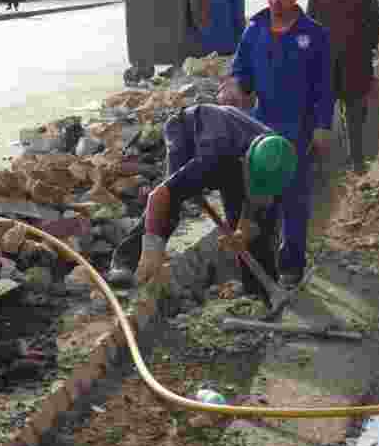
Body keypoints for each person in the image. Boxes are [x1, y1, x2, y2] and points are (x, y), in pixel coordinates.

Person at [107, 104, 298, 303]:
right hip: (187, 131)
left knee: (258, 224)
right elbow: (159, 196)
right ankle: (125, 261)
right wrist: (152, 249)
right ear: (245, 165)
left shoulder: (277, 155)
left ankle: (259, 292)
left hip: (234, 145)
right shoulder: (212, 158)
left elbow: (257, 201)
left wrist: (243, 230)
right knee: (170, 204)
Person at [222, 0, 335, 286]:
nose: (275, 1)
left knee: (294, 200)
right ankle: (262, 267)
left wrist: (323, 126)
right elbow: (242, 71)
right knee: (259, 198)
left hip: (300, 127)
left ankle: (291, 265)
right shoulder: (254, 29)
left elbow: (325, 87)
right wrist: (235, 88)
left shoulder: (314, 35)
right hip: (260, 127)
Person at [306, 0, 379, 173]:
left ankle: (317, 164)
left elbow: (310, 22)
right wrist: (370, 48)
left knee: (320, 111)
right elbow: (374, 21)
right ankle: (356, 160)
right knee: (355, 110)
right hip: (356, 59)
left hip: (324, 60)